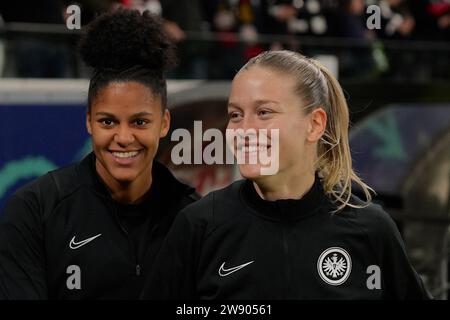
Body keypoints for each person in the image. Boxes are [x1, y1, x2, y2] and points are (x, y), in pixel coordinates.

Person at [142, 50, 432, 300]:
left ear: (315, 124)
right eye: (235, 115)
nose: (244, 131)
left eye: (264, 113)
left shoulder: (370, 229)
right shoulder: (200, 226)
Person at [0, 9, 199, 299]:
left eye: (139, 122)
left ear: (164, 123)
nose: (123, 138)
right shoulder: (34, 211)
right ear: (89, 121)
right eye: (108, 121)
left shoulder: (194, 219)